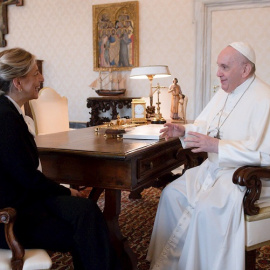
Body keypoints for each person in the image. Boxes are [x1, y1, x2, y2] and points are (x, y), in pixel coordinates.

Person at [147, 42, 270, 270]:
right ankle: (171, 265)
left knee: (206, 209)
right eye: (218, 66)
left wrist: (218, 146)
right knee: (171, 195)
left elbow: (264, 153)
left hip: (245, 176)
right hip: (213, 170)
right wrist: (184, 130)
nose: (218, 74)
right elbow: (208, 124)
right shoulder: (225, 93)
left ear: (245, 70)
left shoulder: (265, 98)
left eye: (224, 67)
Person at [0, 48, 120, 270]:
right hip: (11, 217)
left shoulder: (10, 111)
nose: (41, 78)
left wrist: (64, 192)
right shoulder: (5, 118)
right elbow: (27, 177)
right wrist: (66, 191)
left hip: (26, 200)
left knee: (86, 211)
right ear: (18, 83)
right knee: (84, 227)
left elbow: (26, 176)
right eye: (35, 74)